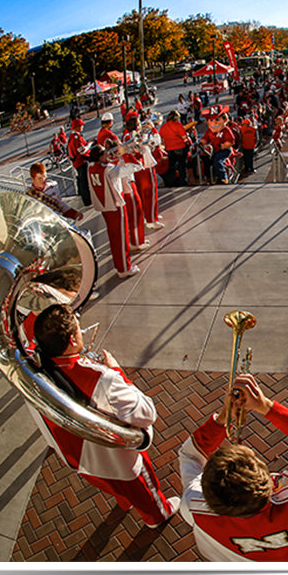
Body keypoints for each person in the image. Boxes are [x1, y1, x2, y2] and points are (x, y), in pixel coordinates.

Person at [178, 374, 288, 562]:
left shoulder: (193, 507)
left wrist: (223, 418)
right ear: (267, 481)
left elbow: (190, 454)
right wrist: (264, 406)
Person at [32, 303, 179, 526]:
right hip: (114, 458)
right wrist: (116, 371)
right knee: (143, 491)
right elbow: (146, 414)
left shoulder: (34, 373)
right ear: (72, 340)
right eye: (79, 330)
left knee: (112, 486)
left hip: (76, 456)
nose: (82, 333)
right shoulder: (102, 379)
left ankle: (124, 501)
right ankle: (158, 515)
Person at [86, 144, 138, 278]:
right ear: (101, 157)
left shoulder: (91, 167)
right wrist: (126, 154)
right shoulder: (109, 170)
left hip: (105, 207)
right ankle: (124, 268)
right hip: (116, 206)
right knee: (122, 238)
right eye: (105, 152)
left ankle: (119, 265)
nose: (108, 153)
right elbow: (136, 167)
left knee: (114, 238)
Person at [158, 110, 190, 186]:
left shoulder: (163, 127)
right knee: (181, 165)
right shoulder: (178, 125)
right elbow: (184, 137)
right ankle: (183, 181)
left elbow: (161, 139)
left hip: (169, 148)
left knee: (172, 166)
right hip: (180, 147)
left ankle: (172, 182)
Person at [67, 118, 92, 207]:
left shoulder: (71, 137)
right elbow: (81, 150)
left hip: (77, 163)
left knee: (81, 181)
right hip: (81, 162)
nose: (82, 127)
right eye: (81, 126)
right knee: (84, 182)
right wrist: (89, 145)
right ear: (77, 127)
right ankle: (87, 200)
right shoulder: (76, 138)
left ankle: (85, 199)